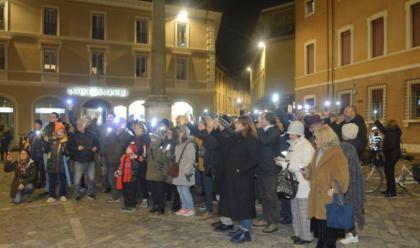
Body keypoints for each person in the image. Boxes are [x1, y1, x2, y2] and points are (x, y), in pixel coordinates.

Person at [303, 125, 349, 248]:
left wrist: (333, 189)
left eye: (317, 138)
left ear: (325, 138)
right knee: (321, 233)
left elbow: (343, 179)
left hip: (329, 200)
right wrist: (307, 171)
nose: (315, 141)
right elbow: (314, 169)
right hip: (317, 198)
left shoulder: (336, 154)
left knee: (329, 237)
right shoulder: (318, 151)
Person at [219, 116, 259, 243]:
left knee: (244, 205)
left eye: (237, 123)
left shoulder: (251, 139)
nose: (235, 125)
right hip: (232, 178)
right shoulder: (236, 137)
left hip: (243, 178)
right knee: (236, 204)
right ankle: (241, 228)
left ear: (244, 124)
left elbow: (254, 159)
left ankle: (246, 232)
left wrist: (240, 170)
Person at [276, 121, 315, 245]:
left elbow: (306, 166)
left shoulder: (306, 146)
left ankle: (307, 236)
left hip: (303, 184)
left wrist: (285, 164)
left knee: (304, 213)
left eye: (292, 134)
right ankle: (298, 233)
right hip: (293, 183)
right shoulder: (293, 145)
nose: (289, 136)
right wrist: (283, 160)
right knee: (295, 211)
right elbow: (290, 160)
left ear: (298, 133)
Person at [254, 112, 282, 233]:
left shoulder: (274, 131)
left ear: (268, 120)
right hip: (261, 168)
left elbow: (265, 140)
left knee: (271, 196)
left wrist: (258, 129)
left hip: (270, 169)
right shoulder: (262, 131)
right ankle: (267, 218)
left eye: (262, 118)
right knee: (263, 196)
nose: (259, 119)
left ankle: (274, 222)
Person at [339, 124, 365, 245]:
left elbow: (344, 167)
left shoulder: (347, 147)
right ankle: (351, 233)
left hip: (348, 183)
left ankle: (352, 234)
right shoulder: (356, 145)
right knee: (350, 207)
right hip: (354, 181)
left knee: (347, 207)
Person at [187, 116, 216, 220]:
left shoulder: (208, 136)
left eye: (200, 123)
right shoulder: (203, 136)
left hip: (209, 167)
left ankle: (210, 210)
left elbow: (197, 133)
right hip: (202, 166)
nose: (198, 125)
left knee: (209, 189)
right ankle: (209, 207)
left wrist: (189, 123)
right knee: (207, 189)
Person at [67, 119, 99, 201]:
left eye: (81, 124)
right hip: (79, 160)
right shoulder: (73, 135)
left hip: (90, 159)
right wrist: (76, 148)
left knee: (91, 179)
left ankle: (90, 193)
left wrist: (96, 147)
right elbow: (69, 147)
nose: (79, 125)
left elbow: (97, 144)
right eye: (77, 124)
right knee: (77, 179)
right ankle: (77, 194)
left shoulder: (92, 134)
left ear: (85, 125)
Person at [104, 118, 134, 203]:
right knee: (112, 179)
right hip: (110, 160)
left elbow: (129, 148)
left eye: (120, 123)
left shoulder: (128, 135)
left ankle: (122, 196)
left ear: (123, 124)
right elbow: (106, 145)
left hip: (121, 161)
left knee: (121, 179)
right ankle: (115, 195)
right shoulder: (111, 133)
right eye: (117, 123)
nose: (118, 125)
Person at [173, 126, 196, 217]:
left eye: (181, 132)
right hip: (178, 170)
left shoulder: (189, 144)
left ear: (185, 133)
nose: (179, 134)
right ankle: (184, 207)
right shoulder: (178, 144)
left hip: (185, 171)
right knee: (180, 190)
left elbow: (191, 159)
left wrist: (186, 171)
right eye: (179, 132)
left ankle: (190, 208)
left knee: (185, 190)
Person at [374, 119, 402, 198]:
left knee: (389, 173)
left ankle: (392, 192)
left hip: (392, 155)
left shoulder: (391, 133)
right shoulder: (392, 131)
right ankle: (388, 189)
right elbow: (383, 130)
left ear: (390, 125)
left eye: (387, 124)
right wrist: (377, 122)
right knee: (388, 172)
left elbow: (391, 146)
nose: (386, 125)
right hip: (392, 155)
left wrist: (383, 149)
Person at [146, 133, 172, 214]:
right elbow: (148, 159)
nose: (152, 140)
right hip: (150, 172)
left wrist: (167, 155)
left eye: (154, 139)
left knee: (160, 191)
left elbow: (166, 161)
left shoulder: (162, 149)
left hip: (159, 173)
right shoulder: (149, 148)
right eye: (152, 139)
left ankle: (161, 207)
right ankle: (155, 206)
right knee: (153, 191)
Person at [44, 122, 69, 203]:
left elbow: (67, 152)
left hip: (62, 164)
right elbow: (47, 150)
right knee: (52, 180)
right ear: (55, 130)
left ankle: (63, 194)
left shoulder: (65, 140)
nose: (60, 131)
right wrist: (46, 142)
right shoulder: (51, 139)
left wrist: (63, 145)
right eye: (59, 130)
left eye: (62, 130)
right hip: (52, 162)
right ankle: (52, 196)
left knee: (62, 180)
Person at [117, 143, 143, 212]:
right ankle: (127, 204)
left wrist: (134, 159)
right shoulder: (124, 157)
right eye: (127, 148)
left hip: (131, 178)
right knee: (125, 192)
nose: (127, 149)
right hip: (124, 178)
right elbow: (121, 167)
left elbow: (136, 168)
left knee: (131, 192)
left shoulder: (134, 158)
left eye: (129, 148)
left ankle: (132, 205)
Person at [133, 122, 150, 207]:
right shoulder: (134, 138)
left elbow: (146, 150)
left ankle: (145, 198)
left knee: (143, 180)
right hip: (135, 162)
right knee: (137, 180)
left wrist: (142, 156)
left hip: (143, 162)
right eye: (135, 128)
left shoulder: (146, 137)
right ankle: (139, 196)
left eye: (138, 128)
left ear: (143, 129)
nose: (136, 130)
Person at [27, 120, 46, 188]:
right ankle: (35, 182)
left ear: (40, 126)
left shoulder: (43, 133)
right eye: (35, 125)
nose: (36, 126)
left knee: (42, 170)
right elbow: (29, 141)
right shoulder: (31, 133)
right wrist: (33, 136)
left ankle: (42, 182)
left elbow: (45, 142)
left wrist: (42, 138)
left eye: (37, 125)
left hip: (41, 155)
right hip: (33, 154)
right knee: (34, 169)